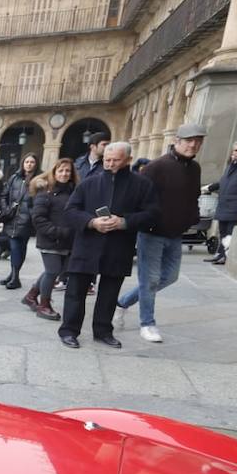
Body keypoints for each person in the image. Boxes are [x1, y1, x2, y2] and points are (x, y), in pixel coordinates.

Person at [58, 141, 160, 349]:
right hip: (87, 245)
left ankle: (103, 331)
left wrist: (124, 222)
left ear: (128, 160)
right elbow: (70, 212)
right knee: (76, 291)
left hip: (119, 246)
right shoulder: (89, 182)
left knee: (109, 292)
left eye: (116, 160)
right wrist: (91, 222)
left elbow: (152, 215)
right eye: (107, 160)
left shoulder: (142, 185)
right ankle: (69, 330)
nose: (110, 164)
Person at [116, 123, 205, 343]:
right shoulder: (157, 166)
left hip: (176, 234)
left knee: (170, 277)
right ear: (177, 141)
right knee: (150, 279)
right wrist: (138, 222)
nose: (193, 145)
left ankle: (123, 302)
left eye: (197, 141)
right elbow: (138, 197)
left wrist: (192, 218)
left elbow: (193, 197)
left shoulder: (195, 169)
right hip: (152, 232)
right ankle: (147, 323)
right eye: (188, 140)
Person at [30, 159, 79, 321]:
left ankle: (31, 296)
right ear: (54, 172)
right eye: (61, 170)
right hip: (50, 240)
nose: (64, 174)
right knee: (52, 271)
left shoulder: (75, 192)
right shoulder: (45, 193)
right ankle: (44, 305)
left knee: (53, 271)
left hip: (67, 240)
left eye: (67, 171)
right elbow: (38, 219)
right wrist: (57, 232)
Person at [0, 153, 38, 291]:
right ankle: (14, 277)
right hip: (12, 217)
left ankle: (14, 275)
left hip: (27, 219)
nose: (29, 164)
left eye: (32, 162)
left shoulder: (39, 179)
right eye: (27, 162)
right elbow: (4, 195)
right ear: (23, 163)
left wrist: (34, 214)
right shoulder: (14, 178)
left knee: (21, 248)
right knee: (15, 247)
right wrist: (6, 208)